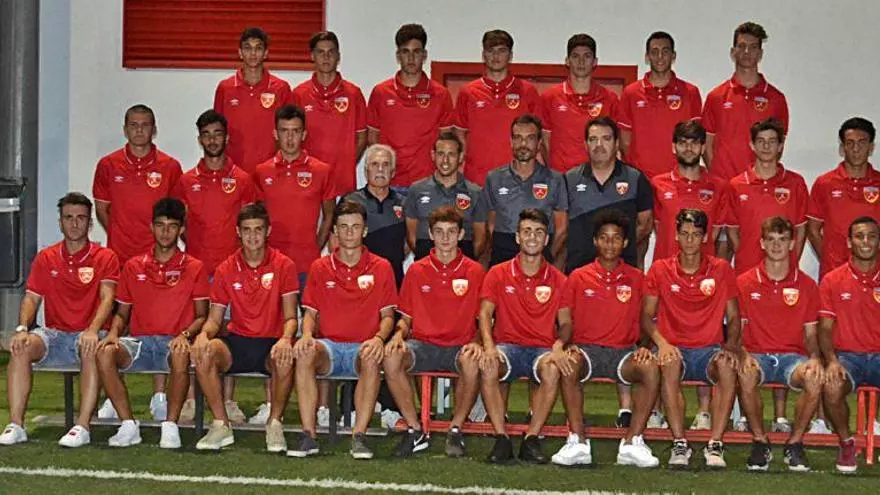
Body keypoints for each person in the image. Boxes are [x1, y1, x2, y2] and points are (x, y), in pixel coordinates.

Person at [1, 193, 119, 447]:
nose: (74, 224)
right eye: (68, 218)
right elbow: (32, 298)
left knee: (90, 347)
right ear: (60, 222)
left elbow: (108, 298)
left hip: (88, 334)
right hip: (54, 334)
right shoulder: (47, 257)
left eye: (80, 218)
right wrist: (22, 328)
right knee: (21, 346)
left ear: (90, 223)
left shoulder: (105, 257)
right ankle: (16, 425)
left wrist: (92, 329)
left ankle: (83, 426)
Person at [95, 198, 209, 449]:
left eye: (172, 226)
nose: (165, 232)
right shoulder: (133, 266)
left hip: (173, 343)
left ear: (181, 229)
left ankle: (170, 426)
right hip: (140, 344)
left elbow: (202, 315)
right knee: (104, 352)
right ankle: (128, 425)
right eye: (160, 225)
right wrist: (113, 333)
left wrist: (185, 335)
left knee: (180, 354)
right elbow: (122, 313)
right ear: (151, 227)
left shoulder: (195, 267)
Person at [553, 209, 661, 468]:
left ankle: (632, 442)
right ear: (595, 241)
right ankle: (578, 441)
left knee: (650, 367)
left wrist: (645, 346)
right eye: (604, 238)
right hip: (586, 352)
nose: (610, 244)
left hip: (623, 353)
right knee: (568, 364)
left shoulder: (637, 278)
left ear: (625, 242)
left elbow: (648, 319)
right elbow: (565, 321)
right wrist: (562, 344)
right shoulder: (578, 276)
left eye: (616, 238)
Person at [291, 200, 397, 460]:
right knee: (304, 352)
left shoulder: (382, 267)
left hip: (364, 345)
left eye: (355, 227)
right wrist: (307, 335)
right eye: (344, 227)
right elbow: (310, 313)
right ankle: (308, 435)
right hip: (329, 346)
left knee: (371, 356)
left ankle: (359, 436)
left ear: (365, 230)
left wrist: (378, 338)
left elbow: (388, 316)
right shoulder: (320, 267)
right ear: (335, 231)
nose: (349, 232)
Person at [190, 202, 300, 452]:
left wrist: (286, 338)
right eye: (247, 230)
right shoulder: (226, 268)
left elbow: (291, 317)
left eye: (258, 229)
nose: (252, 236)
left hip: (271, 342)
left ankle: (275, 423)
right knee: (204, 351)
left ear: (268, 231)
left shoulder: (284, 265)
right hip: (237, 342)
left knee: (285, 356)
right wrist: (203, 335)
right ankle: (221, 425)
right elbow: (215, 319)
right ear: (238, 232)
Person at [642, 208, 741, 469]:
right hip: (674, 347)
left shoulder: (721, 269)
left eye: (695, 235)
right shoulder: (660, 269)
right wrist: (662, 343)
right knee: (668, 362)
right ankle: (679, 442)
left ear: (705, 237)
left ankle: (715, 443)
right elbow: (646, 316)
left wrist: (730, 346)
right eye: (684, 234)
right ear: (675, 235)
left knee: (728, 365)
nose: (689, 240)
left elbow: (734, 317)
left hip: (709, 349)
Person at [383, 206, 485, 457]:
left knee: (472, 361)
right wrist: (397, 336)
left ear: (461, 234)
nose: (445, 238)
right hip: (423, 345)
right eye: (439, 232)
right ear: (430, 234)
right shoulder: (417, 270)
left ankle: (456, 429)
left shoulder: (475, 271)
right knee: (391, 356)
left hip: (460, 345)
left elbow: (483, 319)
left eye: (451, 231)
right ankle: (415, 429)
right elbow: (406, 318)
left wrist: (476, 341)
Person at [478, 209, 568, 464]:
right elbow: (484, 313)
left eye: (539, 232)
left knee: (552, 368)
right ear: (517, 237)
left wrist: (559, 345)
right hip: (507, 347)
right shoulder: (497, 273)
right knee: (488, 364)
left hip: (542, 349)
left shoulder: (559, 279)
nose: (532, 237)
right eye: (526, 231)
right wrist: (489, 346)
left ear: (547, 239)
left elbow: (566, 323)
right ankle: (501, 438)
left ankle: (531, 439)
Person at [735, 216, 823, 471]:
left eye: (782, 240)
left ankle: (794, 443)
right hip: (757, 355)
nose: (776, 245)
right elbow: (737, 330)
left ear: (792, 244)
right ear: (762, 243)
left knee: (814, 376)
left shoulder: (807, 285)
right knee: (745, 372)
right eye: (771, 240)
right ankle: (760, 442)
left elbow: (810, 335)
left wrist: (815, 358)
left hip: (792, 359)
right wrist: (742, 353)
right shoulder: (744, 282)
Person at [819, 216, 880, 474]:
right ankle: (846, 442)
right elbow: (824, 328)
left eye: (872, 236)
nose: (865, 242)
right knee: (832, 386)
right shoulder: (832, 280)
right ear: (849, 242)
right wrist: (832, 360)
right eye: (859, 236)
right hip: (848, 358)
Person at [254, 104, 335, 284]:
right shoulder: (261, 171)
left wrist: (316, 248)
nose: (290, 138)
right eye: (284, 131)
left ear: (304, 134)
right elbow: (258, 219)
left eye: (295, 131)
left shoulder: (322, 171)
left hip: (307, 264)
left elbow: (329, 215)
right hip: (271, 264)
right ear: (275, 134)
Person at [172, 109, 259, 276]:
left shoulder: (243, 180)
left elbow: (251, 226)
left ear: (226, 138)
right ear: (200, 140)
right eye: (206, 134)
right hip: (197, 271)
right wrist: (196, 246)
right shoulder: (185, 182)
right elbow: (178, 225)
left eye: (217, 134)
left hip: (234, 271)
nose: (212, 140)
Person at [367, 23, 454, 188]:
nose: (411, 58)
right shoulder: (381, 92)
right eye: (405, 52)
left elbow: (446, 142)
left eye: (416, 52)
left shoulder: (441, 94)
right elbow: (373, 140)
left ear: (424, 55)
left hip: (428, 184)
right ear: (398, 56)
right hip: (390, 184)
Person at [92, 104, 182, 262]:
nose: (139, 130)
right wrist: (119, 235)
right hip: (120, 256)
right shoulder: (108, 165)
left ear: (154, 130)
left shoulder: (170, 166)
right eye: (133, 125)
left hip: (158, 257)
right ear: (125, 130)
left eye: (145, 125)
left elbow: (177, 213)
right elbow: (102, 210)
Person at [702, 21, 789, 182]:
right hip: (724, 185)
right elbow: (706, 146)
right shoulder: (716, 97)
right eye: (741, 46)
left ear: (760, 54)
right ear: (733, 52)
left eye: (753, 47)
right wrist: (719, 179)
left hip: (758, 187)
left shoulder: (776, 99)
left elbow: (777, 146)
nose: (747, 51)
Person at [454, 29, 542, 185]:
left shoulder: (528, 91)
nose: (496, 56)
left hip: (518, 180)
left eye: (501, 51)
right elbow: (459, 134)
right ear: (483, 55)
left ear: (510, 55)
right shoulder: (467, 92)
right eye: (490, 51)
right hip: (476, 180)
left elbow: (537, 138)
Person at [565, 117, 653, 272]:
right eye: (593, 139)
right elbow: (561, 228)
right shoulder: (569, 180)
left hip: (622, 273)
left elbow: (645, 225)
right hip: (578, 271)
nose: (599, 145)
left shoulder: (636, 178)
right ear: (585, 145)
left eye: (606, 138)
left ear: (617, 143)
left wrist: (616, 250)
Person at [725, 118, 808, 274]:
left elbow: (801, 229)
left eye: (772, 141)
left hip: (784, 273)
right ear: (752, 145)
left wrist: (790, 263)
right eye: (761, 141)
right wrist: (746, 257)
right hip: (747, 273)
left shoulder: (795, 183)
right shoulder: (736, 185)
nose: (766, 146)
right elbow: (732, 231)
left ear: (780, 146)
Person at [483, 115, 568, 266]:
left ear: (539, 143)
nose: (523, 144)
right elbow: (490, 226)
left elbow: (561, 227)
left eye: (530, 138)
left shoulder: (555, 180)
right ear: (511, 142)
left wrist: (547, 256)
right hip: (503, 254)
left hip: (540, 253)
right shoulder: (494, 178)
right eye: (518, 138)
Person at [619, 31, 702, 180]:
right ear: (647, 57)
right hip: (640, 179)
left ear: (673, 56)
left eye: (665, 51)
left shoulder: (690, 92)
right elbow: (624, 142)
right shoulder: (630, 93)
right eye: (654, 52)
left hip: (679, 180)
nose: (660, 56)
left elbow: (696, 139)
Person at [293, 31, 368, 196]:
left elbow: (362, 138)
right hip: (308, 182)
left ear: (338, 56)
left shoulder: (353, 94)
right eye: (320, 52)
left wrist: (347, 163)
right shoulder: (299, 94)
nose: (326, 57)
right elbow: (292, 138)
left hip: (343, 182)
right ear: (312, 56)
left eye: (331, 52)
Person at [808, 117, 880, 280]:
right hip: (835, 276)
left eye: (862, 143)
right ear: (842, 148)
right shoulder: (824, 183)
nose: (856, 149)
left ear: (871, 147)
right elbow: (812, 230)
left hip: (875, 277)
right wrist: (830, 260)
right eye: (850, 143)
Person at [214, 27, 292, 174]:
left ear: (266, 53)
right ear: (240, 52)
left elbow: (290, 133)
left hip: (272, 172)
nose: (253, 53)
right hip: (233, 171)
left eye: (258, 48)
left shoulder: (281, 88)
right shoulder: (225, 88)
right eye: (248, 48)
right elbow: (217, 131)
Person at [542, 33, 619, 173]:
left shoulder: (610, 98)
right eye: (575, 56)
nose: (581, 62)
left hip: (597, 178)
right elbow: (544, 143)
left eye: (587, 56)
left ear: (595, 62)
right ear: (567, 61)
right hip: (562, 177)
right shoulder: (550, 97)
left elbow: (615, 146)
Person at [651, 119, 727, 262]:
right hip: (666, 269)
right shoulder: (658, 184)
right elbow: (659, 228)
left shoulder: (719, 187)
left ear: (703, 148)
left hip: (703, 270)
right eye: (683, 143)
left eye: (694, 143)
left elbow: (714, 235)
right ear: (674, 147)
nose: (688, 148)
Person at [404, 132, 488, 260]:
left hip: (463, 263)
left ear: (460, 157)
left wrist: (463, 264)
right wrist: (428, 262)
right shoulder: (416, 190)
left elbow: (480, 239)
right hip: (426, 262)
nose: (445, 160)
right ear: (433, 155)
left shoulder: (476, 193)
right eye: (441, 154)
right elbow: (411, 236)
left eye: (451, 154)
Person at [341, 144, 407, 287]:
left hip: (393, 280)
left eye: (386, 165)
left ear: (393, 172)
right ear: (366, 171)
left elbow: (408, 242)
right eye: (375, 164)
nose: (380, 169)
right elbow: (336, 241)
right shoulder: (351, 200)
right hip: (359, 280)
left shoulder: (404, 203)